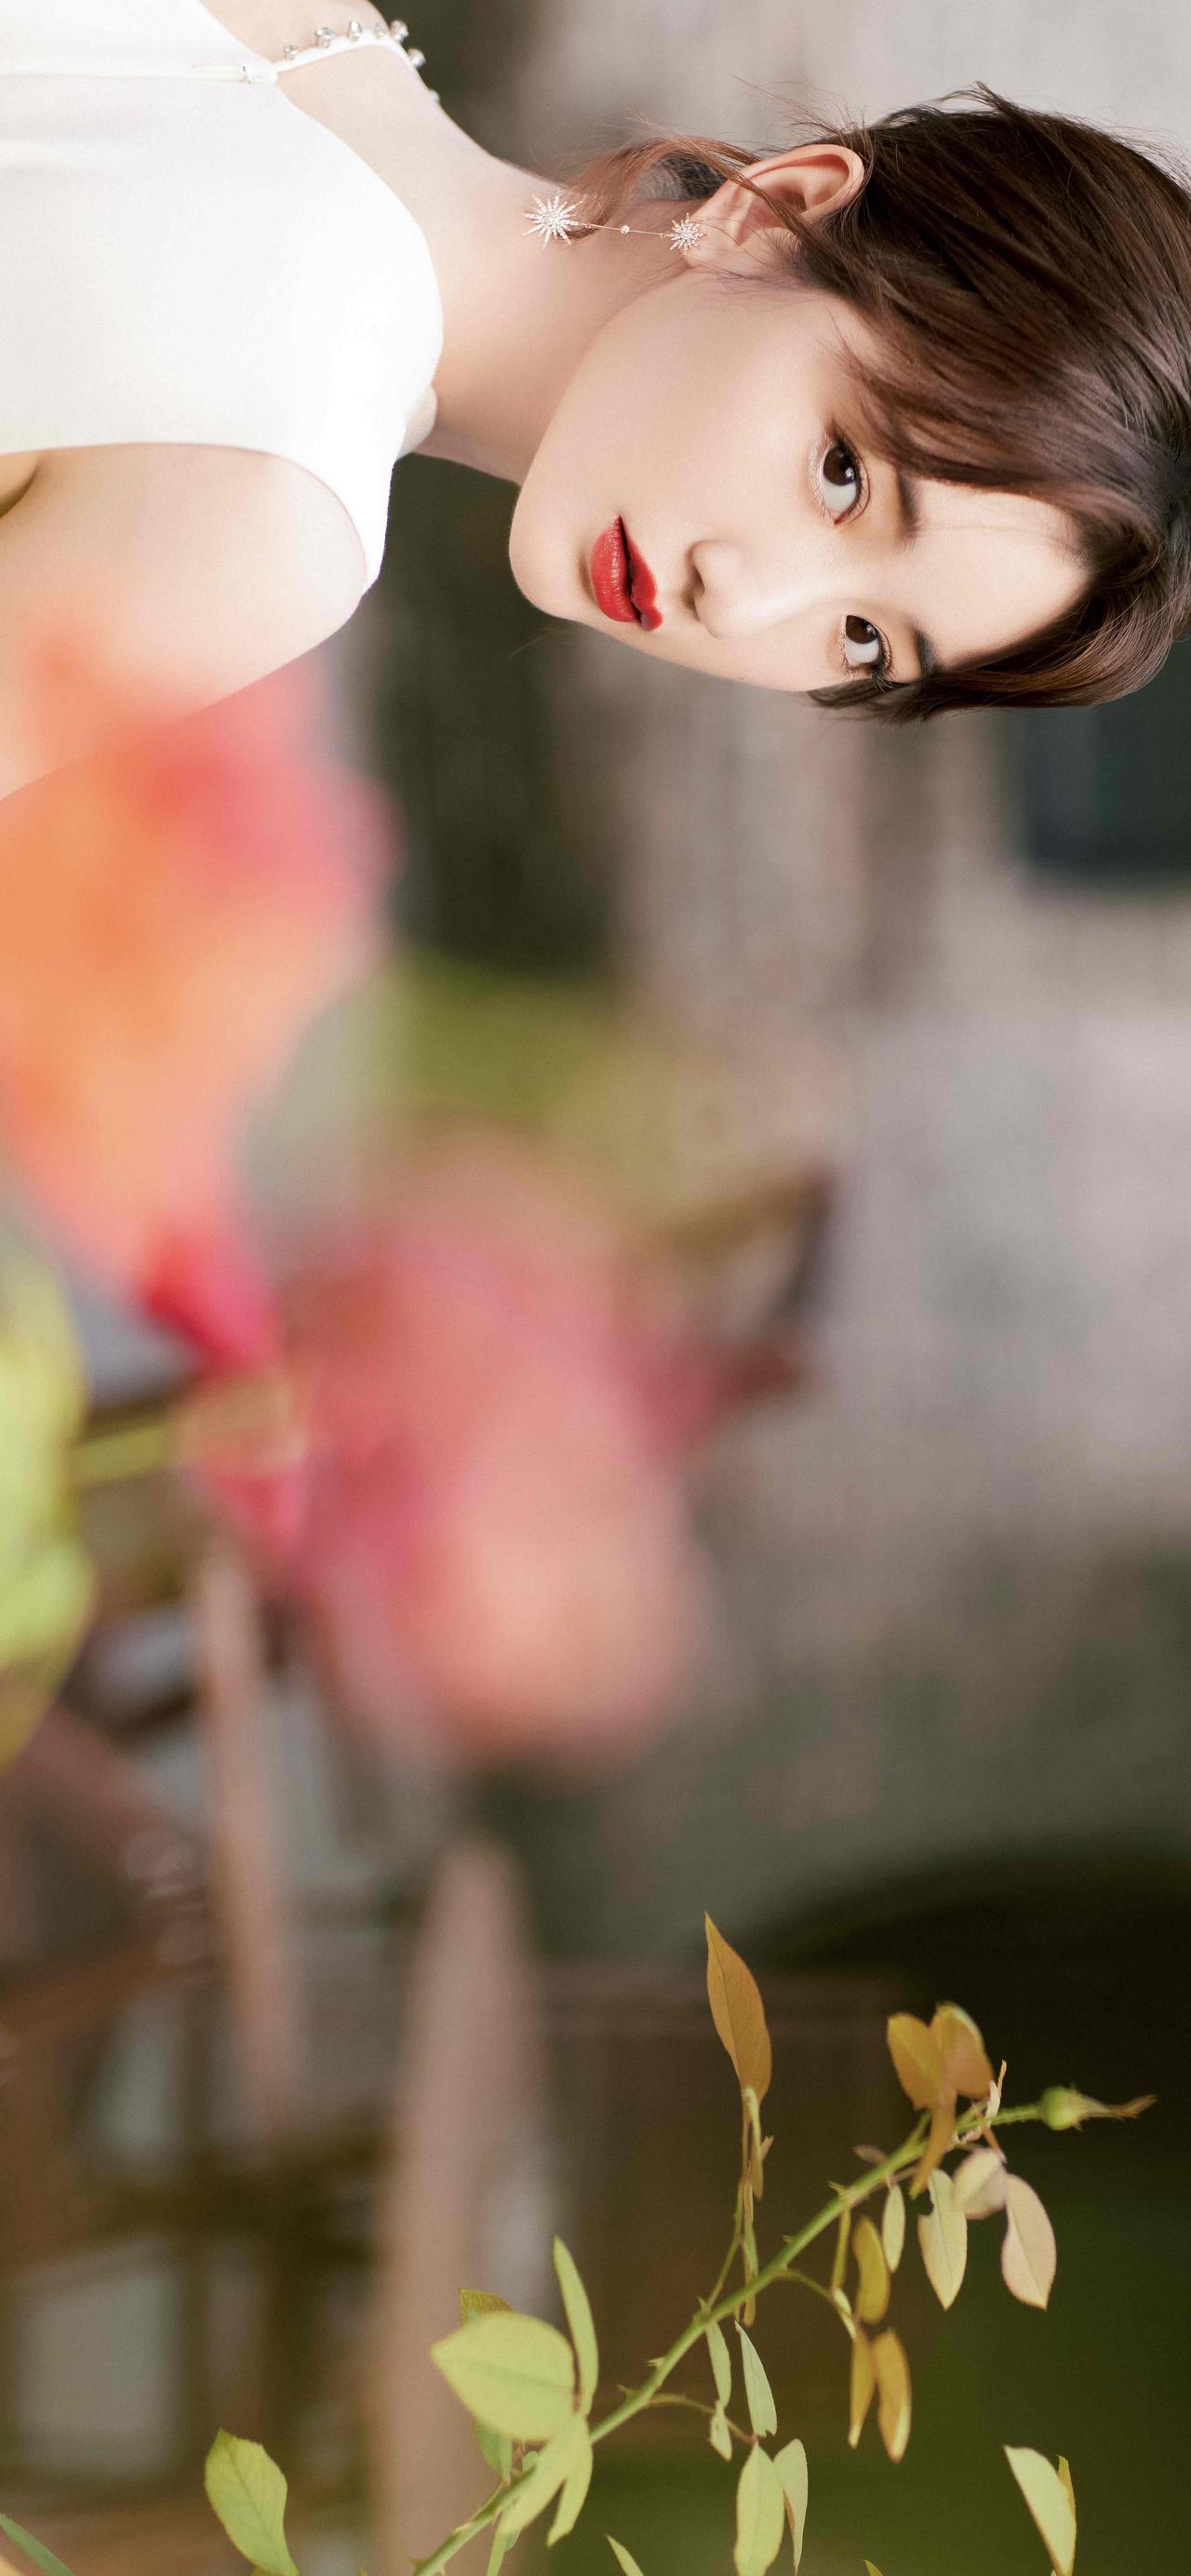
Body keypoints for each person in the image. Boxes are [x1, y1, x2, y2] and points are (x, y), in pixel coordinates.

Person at [1, 0, 1190, 794]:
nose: (739, 599)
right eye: (843, 475)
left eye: (864, 640)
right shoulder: (267, 520)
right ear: (773, 208)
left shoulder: (310, 27)